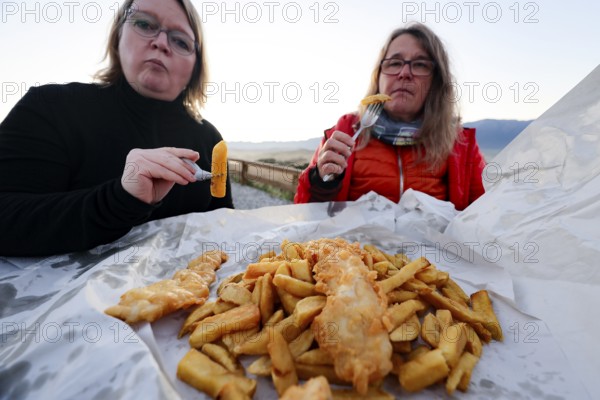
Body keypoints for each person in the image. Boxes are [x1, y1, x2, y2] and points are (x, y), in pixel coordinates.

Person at [0, 0, 233, 257]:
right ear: (118, 35)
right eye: (144, 23)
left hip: (193, 295)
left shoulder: (209, 139)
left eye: (181, 41)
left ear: (196, 65)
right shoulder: (50, 107)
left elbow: (224, 227)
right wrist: (119, 201)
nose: (162, 43)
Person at [294, 23, 485, 211]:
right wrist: (322, 181)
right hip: (354, 243)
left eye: (420, 65)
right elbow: (306, 215)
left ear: (436, 80)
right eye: (394, 63)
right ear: (379, 76)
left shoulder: (461, 143)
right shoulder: (346, 131)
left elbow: (484, 215)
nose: (404, 73)